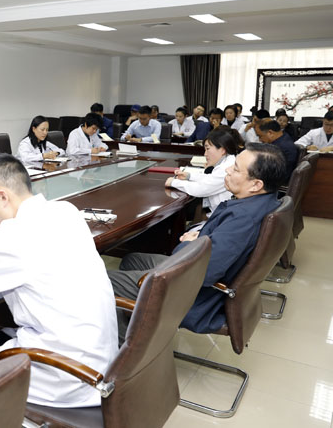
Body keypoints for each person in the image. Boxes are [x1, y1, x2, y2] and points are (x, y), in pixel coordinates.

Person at [0, 154, 117, 407]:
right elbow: (37, 255)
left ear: (2, 196)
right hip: (102, 356)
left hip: (67, 372)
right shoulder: (65, 210)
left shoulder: (13, 234)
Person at [108, 143, 285, 337]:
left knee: (101, 282)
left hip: (194, 294)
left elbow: (205, 271)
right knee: (131, 260)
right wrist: (201, 238)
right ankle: (141, 327)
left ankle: (130, 347)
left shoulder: (243, 219)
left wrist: (189, 243)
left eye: (235, 169)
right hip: (199, 275)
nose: (227, 170)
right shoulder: (264, 201)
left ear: (256, 185)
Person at [165, 128, 237, 216]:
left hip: (221, 219)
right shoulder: (227, 161)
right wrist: (189, 176)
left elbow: (201, 189)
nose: (205, 154)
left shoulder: (226, 168)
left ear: (222, 150)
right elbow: (210, 179)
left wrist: (173, 182)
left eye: (208, 149)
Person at [256, 118, 298, 183]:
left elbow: (267, 172)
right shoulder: (284, 137)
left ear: (270, 133)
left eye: (260, 136)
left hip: (274, 183)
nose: (260, 140)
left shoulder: (278, 148)